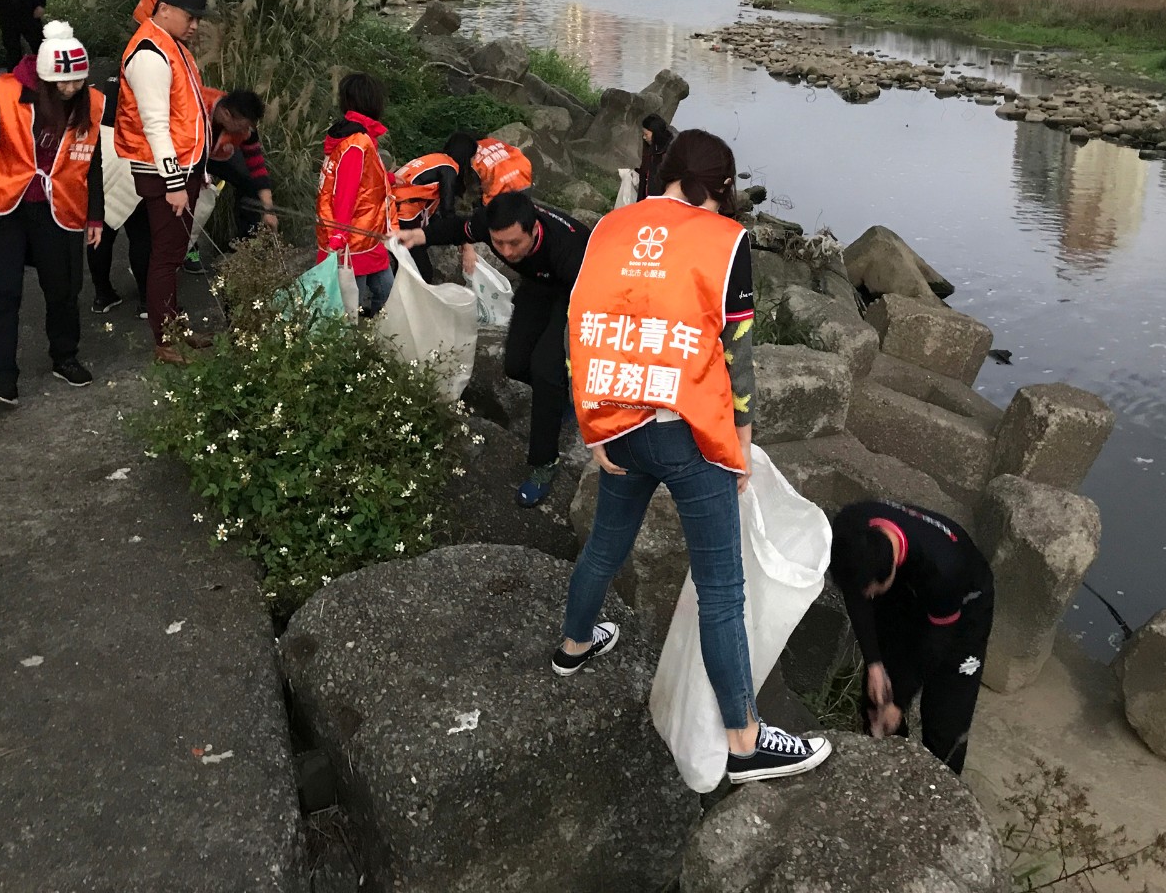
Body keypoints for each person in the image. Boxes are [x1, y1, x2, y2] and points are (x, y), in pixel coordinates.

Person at [556, 127, 830, 784]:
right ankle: (743, 741)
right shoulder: (726, 242)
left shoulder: (611, 229)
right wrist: (742, 434)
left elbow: (582, 324)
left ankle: (572, 647)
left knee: (605, 544)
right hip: (689, 436)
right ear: (721, 187)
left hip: (619, 424)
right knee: (721, 589)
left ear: (666, 173)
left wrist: (592, 428)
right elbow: (735, 354)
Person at [395, 190, 588, 506]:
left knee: (545, 368)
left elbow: (596, 298)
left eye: (514, 243)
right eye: (499, 244)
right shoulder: (491, 223)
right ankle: (558, 395)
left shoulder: (569, 248)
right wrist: (421, 235)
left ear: (534, 228)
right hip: (537, 285)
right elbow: (459, 228)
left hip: (573, 290)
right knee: (515, 364)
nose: (506, 251)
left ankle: (545, 461)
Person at [0, 22, 103, 408]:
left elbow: (94, 165)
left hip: (61, 207)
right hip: (6, 205)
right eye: (63, 84)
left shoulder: (92, 103)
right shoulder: (7, 93)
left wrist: (95, 217)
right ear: (44, 79)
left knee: (64, 288)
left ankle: (64, 357)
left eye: (78, 82)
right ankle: (3, 380)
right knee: (0, 291)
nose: (71, 90)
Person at [828, 500, 995, 775]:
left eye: (871, 592)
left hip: (963, 605)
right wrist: (874, 663)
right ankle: (884, 769)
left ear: (890, 569)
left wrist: (900, 703)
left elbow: (936, 643)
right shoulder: (851, 526)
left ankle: (940, 788)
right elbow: (857, 596)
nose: (867, 598)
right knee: (878, 694)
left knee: (945, 718)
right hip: (906, 593)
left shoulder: (945, 568)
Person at [114, 0, 215, 363]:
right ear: (165, 10)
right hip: (164, 174)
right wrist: (174, 182)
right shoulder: (149, 54)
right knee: (166, 255)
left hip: (181, 168)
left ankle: (176, 327)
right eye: (190, 17)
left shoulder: (168, 44)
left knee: (171, 253)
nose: (196, 25)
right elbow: (155, 125)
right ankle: (165, 340)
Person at [316, 72, 394, 317]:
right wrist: (339, 235)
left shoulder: (348, 136)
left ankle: (379, 343)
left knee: (389, 293)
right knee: (351, 307)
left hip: (366, 235)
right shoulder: (357, 142)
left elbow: (360, 179)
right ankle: (357, 349)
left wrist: (391, 179)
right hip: (354, 240)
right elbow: (345, 191)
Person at [183, 88, 277, 274]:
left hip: (220, 154)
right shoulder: (195, 107)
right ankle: (189, 248)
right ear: (226, 114)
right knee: (189, 193)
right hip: (188, 152)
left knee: (249, 183)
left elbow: (257, 168)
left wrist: (269, 209)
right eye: (243, 126)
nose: (246, 131)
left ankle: (244, 247)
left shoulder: (244, 129)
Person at [87, 76, 152, 317]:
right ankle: (146, 301)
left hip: (103, 158)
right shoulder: (148, 74)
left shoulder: (111, 81)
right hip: (135, 158)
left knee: (100, 233)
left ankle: (102, 296)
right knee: (141, 235)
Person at [390, 150, 460, 281]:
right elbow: (447, 207)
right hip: (403, 213)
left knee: (404, 264)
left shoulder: (434, 160)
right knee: (422, 271)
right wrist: (461, 237)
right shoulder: (449, 168)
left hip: (392, 207)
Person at [444, 131, 533, 204]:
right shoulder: (492, 141)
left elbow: (473, 192)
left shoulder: (469, 159)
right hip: (524, 179)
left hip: (499, 194)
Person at [636, 113, 674, 201]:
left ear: (656, 133)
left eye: (646, 134)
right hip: (645, 194)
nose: (644, 137)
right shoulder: (650, 145)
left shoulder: (670, 150)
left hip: (660, 198)